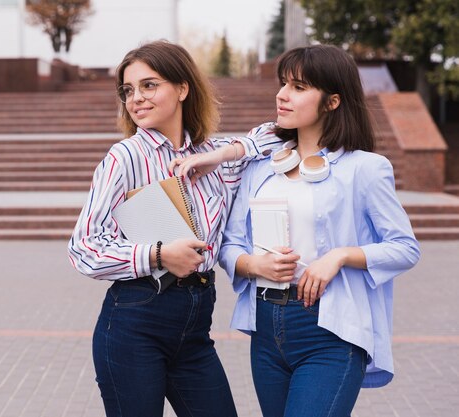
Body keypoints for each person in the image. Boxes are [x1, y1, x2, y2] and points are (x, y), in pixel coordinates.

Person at [171, 44, 421, 417]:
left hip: (330, 331)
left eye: (299, 87)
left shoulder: (365, 168)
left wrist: (338, 257)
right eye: (283, 84)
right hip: (267, 329)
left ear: (332, 101)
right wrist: (255, 266)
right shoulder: (259, 168)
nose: (282, 95)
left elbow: (404, 247)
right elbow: (230, 244)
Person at [67, 40, 281, 417]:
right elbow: (84, 247)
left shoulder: (213, 158)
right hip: (137, 320)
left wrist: (220, 153)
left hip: (195, 325)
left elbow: (279, 135)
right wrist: (158, 253)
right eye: (128, 90)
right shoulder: (125, 157)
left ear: (183, 89)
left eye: (149, 85)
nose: (136, 98)